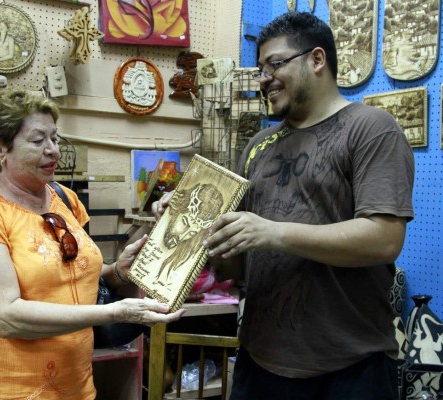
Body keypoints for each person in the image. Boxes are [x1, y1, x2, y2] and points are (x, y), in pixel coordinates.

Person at [153, 11, 414, 400]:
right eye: (260, 68)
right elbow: (236, 261)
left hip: (349, 366)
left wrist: (273, 233)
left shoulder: (371, 128)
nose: (263, 79)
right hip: (261, 361)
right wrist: (190, 222)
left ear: (317, 60)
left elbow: (384, 238)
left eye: (275, 63)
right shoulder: (259, 145)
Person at [0, 88, 184, 400]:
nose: (53, 150)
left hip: (73, 384)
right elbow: (6, 317)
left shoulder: (63, 199)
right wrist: (113, 313)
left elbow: (68, 276)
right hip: (0, 387)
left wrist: (116, 272)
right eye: (39, 141)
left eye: (55, 138)